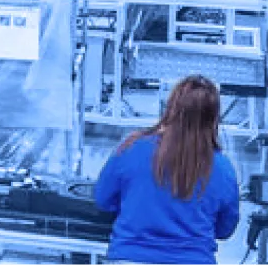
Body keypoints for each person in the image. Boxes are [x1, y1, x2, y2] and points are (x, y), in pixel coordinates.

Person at [95, 75, 240, 265]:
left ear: (170, 108)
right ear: (213, 118)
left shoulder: (132, 148)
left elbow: (103, 200)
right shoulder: (223, 168)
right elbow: (225, 230)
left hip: (132, 257)